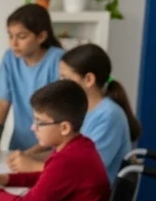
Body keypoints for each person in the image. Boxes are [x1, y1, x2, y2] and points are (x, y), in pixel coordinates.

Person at [11, 44, 141, 183]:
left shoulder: (109, 115)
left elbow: (86, 171)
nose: (60, 83)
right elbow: (64, 157)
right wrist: (29, 156)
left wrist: (33, 166)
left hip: (93, 199)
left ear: (89, 79)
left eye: (65, 77)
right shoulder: (79, 109)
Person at [0, 4, 64, 156]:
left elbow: (62, 114)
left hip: (50, 149)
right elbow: (3, 102)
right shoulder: (10, 57)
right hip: (19, 145)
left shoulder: (58, 60)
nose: (13, 43)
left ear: (41, 37)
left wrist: (31, 154)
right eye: (10, 36)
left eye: (21, 37)